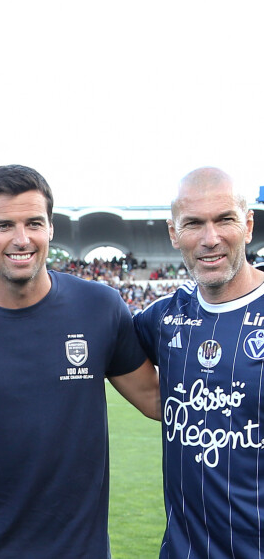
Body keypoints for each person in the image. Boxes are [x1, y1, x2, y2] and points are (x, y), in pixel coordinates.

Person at [0, 164, 160, 558]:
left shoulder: (99, 307)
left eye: (34, 223)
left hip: (79, 550)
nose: (22, 239)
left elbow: (157, 400)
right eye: (4, 225)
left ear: (51, 228)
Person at [133, 167, 264, 558]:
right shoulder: (163, 317)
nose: (211, 239)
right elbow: (81, 329)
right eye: (193, 223)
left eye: (225, 219)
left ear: (248, 225)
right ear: (174, 233)